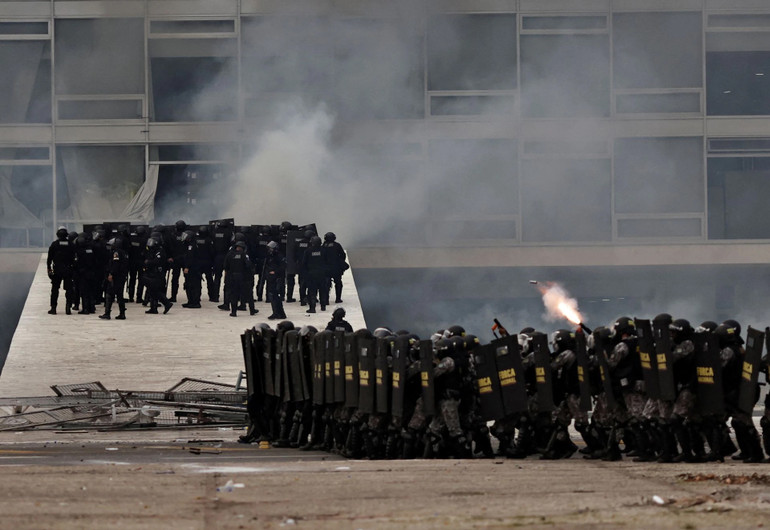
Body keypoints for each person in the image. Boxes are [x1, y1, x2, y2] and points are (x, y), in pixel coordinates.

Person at [223, 240, 257, 317]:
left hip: (233, 277)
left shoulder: (230, 254)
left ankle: (234, 312)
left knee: (234, 295)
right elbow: (249, 266)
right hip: (243, 278)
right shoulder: (244, 255)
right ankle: (252, 310)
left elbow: (226, 266)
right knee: (249, 295)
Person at [47, 226, 76, 315]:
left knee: (55, 289)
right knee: (69, 289)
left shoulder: (54, 244)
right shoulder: (71, 244)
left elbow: (49, 258)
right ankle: (68, 308)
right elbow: (74, 257)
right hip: (68, 269)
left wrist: (49, 268)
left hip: (57, 270)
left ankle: (53, 308)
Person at [99, 237, 129, 320]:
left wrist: (111, 274)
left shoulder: (116, 253)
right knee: (119, 295)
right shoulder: (124, 253)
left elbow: (116, 265)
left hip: (116, 277)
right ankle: (122, 313)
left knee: (109, 293)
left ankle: (107, 313)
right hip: (122, 276)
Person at [142, 237, 173, 315]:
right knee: (151, 290)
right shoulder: (152, 251)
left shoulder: (160, 251)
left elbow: (157, 261)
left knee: (155, 290)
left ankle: (166, 303)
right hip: (151, 273)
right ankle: (153, 307)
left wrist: (148, 262)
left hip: (157, 274)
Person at [322, 232, 348, 304]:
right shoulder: (337, 245)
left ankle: (326, 300)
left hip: (326, 268)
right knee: (338, 283)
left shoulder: (323, 246)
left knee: (326, 284)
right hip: (336, 268)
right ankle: (338, 298)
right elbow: (343, 255)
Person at [264, 241, 287, 320]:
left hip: (277, 279)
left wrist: (275, 272)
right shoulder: (270, 256)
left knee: (275, 296)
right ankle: (279, 313)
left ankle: (277, 313)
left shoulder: (279, 256)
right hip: (271, 278)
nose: (270, 250)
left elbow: (283, 267)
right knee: (273, 296)